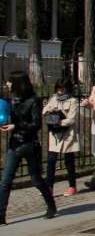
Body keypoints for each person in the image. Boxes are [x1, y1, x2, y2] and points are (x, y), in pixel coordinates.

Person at [0, 72, 57, 223]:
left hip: (29, 144)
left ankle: (51, 205)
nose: (8, 84)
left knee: (36, 179)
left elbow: (36, 124)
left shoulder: (33, 100)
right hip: (15, 143)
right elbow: (5, 114)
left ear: (18, 83)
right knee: (6, 180)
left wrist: (16, 125)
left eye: (10, 82)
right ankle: (1, 215)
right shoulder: (12, 100)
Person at [42, 78, 80, 196]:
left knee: (69, 161)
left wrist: (59, 121)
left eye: (62, 88)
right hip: (55, 134)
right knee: (51, 160)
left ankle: (72, 186)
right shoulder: (53, 98)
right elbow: (44, 110)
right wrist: (49, 112)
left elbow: (71, 119)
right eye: (58, 88)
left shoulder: (73, 101)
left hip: (67, 133)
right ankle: (49, 187)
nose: (60, 91)